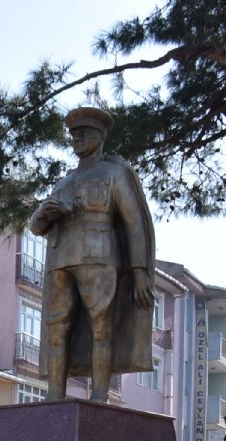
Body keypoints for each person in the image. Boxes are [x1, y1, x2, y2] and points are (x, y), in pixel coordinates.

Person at [29, 106, 155, 403]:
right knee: (56, 328)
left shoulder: (114, 172)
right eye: (73, 135)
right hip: (60, 259)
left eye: (83, 133)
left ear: (99, 137)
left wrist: (139, 271)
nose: (77, 139)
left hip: (99, 256)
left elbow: (134, 222)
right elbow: (36, 227)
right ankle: (54, 397)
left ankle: (99, 397)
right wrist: (42, 212)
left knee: (102, 327)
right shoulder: (64, 181)